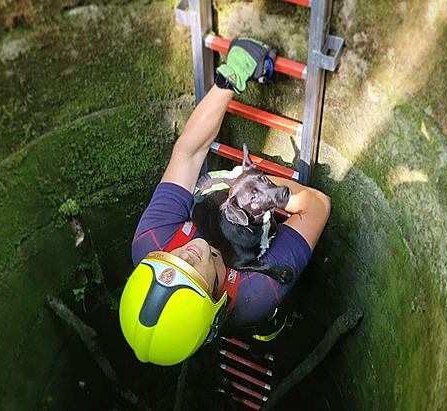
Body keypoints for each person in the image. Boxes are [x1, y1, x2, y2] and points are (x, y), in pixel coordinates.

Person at [119, 38, 331, 366]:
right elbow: (316, 206)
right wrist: (257, 190)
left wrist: (230, 77)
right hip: (263, 310)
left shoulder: (151, 243)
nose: (184, 254)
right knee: (267, 326)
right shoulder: (256, 293)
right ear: (215, 302)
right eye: (192, 272)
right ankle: (269, 335)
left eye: (169, 260)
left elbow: (188, 154)